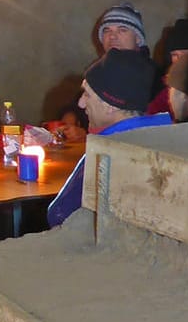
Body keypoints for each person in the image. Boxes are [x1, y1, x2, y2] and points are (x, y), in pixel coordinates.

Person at [45, 50, 174, 227]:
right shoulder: (168, 137)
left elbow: (59, 214)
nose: (81, 103)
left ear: (110, 105)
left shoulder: (107, 151)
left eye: (87, 94)